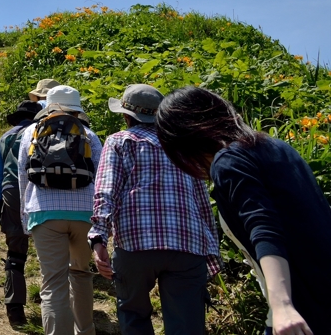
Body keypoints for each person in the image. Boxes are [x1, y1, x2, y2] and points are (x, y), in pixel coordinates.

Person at [155, 86, 331, 335]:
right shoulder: (277, 147)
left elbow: (264, 227)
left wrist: (283, 306)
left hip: (305, 308)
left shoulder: (228, 161)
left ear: (182, 139)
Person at [89, 84, 220, 335]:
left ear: (127, 116)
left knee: (133, 314)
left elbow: (106, 191)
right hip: (188, 244)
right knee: (187, 325)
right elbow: (203, 204)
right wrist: (212, 255)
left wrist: (98, 239)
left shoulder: (120, 141)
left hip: (136, 243)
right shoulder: (184, 148)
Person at [18, 85, 102, 335]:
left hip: (45, 214)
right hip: (84, 216)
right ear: (77, 109)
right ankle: (85, 331)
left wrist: (26, 218)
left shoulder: (32, 132)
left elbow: (23, 175)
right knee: (81, 274)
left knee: (53, 283)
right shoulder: (89, 134)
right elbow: (101, 177)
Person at [0, 98, 41, 326]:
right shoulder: (43, 131)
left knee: (15, 251)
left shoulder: (6, 137)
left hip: (12, 190)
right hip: (42, 189)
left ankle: (15, 311)